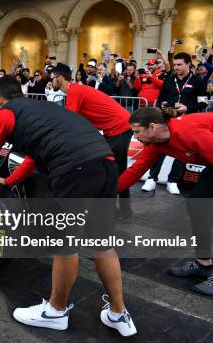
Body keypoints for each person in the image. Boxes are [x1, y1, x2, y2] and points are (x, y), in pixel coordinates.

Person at [0, 76, 137, 337]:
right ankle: (118, 313)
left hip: (75, 170)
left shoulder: (6, 113)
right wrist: (10, 180)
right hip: (105, 165)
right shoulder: (44, 109)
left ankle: (56, 311)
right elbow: (35, 158)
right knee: (101, 244)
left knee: (64, 244)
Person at [118, 106, 213, 295]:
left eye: (137, 131)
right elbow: (134, 171)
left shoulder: (187, 132)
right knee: (197, 206)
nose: (135, 137)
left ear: (152, 127)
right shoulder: (156, 145)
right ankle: (204, 264)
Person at [51, 63, 133, 219]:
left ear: (60, 79)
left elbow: (69, 122)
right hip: (115, 129)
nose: (50, 81)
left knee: (113, 170)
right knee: (110, 169)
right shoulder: (75, 91)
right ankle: (119, 210)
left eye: (52, 78)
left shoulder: (74, 91)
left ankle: (122, 211)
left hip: (119, 128)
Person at [144, 52, 208, 194]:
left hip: (187, 122)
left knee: (182, 152)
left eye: (179, 65)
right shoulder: (170, 79)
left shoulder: (198, 81)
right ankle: (152, 178)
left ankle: (172, 181)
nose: (176, 67)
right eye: (175, 64)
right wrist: (163, 106)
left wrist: (188, 108)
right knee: (160, 148)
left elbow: (203, 103)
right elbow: (160, 99)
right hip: (168, 120)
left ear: (189, 64)